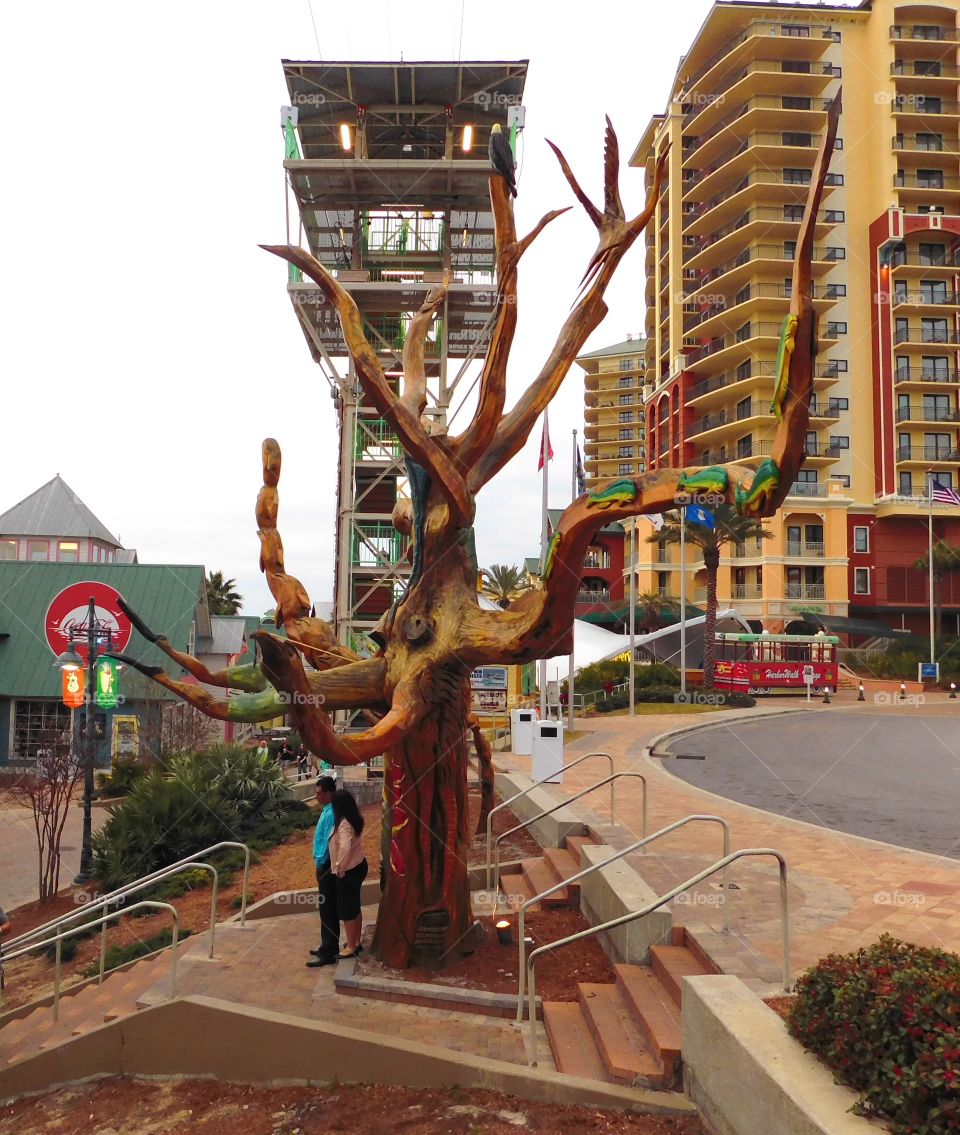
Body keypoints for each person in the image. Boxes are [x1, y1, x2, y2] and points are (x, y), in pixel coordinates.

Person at [330, 789, 369, 959]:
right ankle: (356, 942)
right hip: (359, 865)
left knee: (347, 910)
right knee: (354, 906)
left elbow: (345, 847)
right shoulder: (354, 819)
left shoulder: (344, 823)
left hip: (349, 870)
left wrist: (340, 868)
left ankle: (351, 946)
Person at [306, 776, 339, 968]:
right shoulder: (327, 810)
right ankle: (326, 945)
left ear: (328, 793)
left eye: (319, 793)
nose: (316, 797)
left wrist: (320, 863)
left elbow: (328, 843)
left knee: (328, 909)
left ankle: (329, 950)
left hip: (326, 865)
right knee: (325, 908)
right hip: (323, 864)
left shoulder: (331, 813)